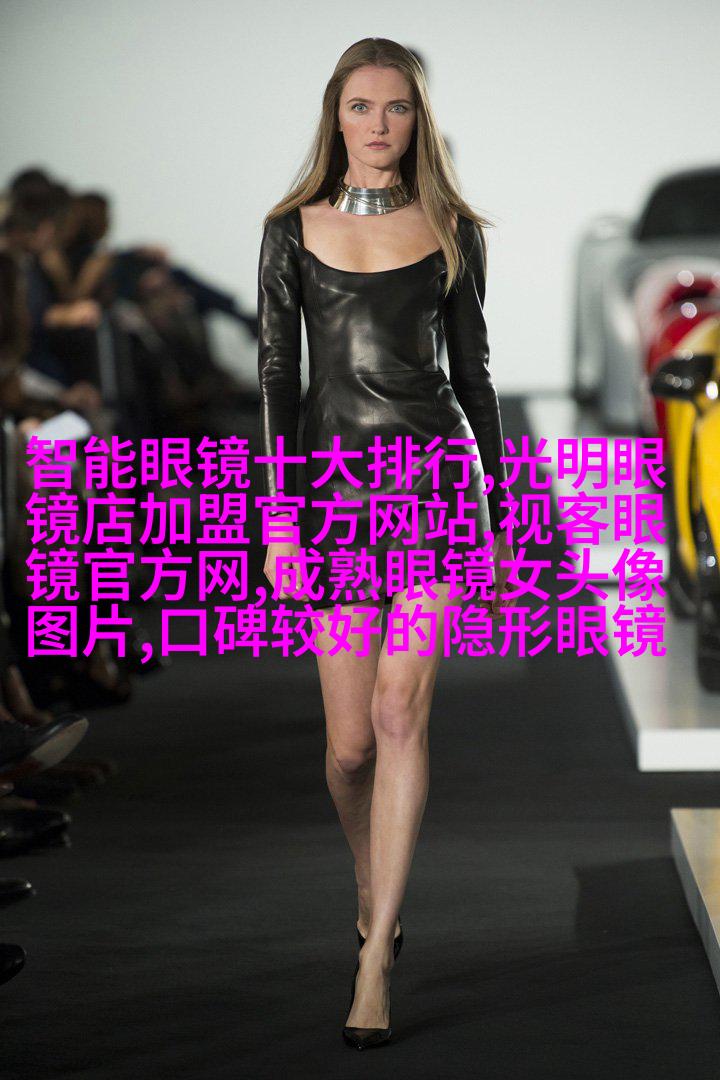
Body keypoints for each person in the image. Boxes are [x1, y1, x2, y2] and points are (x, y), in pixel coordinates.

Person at [257, 37, 516, 1049]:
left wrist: (503, 504)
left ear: (418, 120)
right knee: (350, 747)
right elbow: (278, 379)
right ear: (336, 115)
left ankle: (375, 964)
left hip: (433, 487)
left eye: (397, 107)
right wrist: (279, 515)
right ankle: (370, 888)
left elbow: (476, 375)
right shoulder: (290, 229)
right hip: (329, 495)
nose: (378, 124)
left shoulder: (453, 230)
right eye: (361, 106)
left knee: (402, 713)